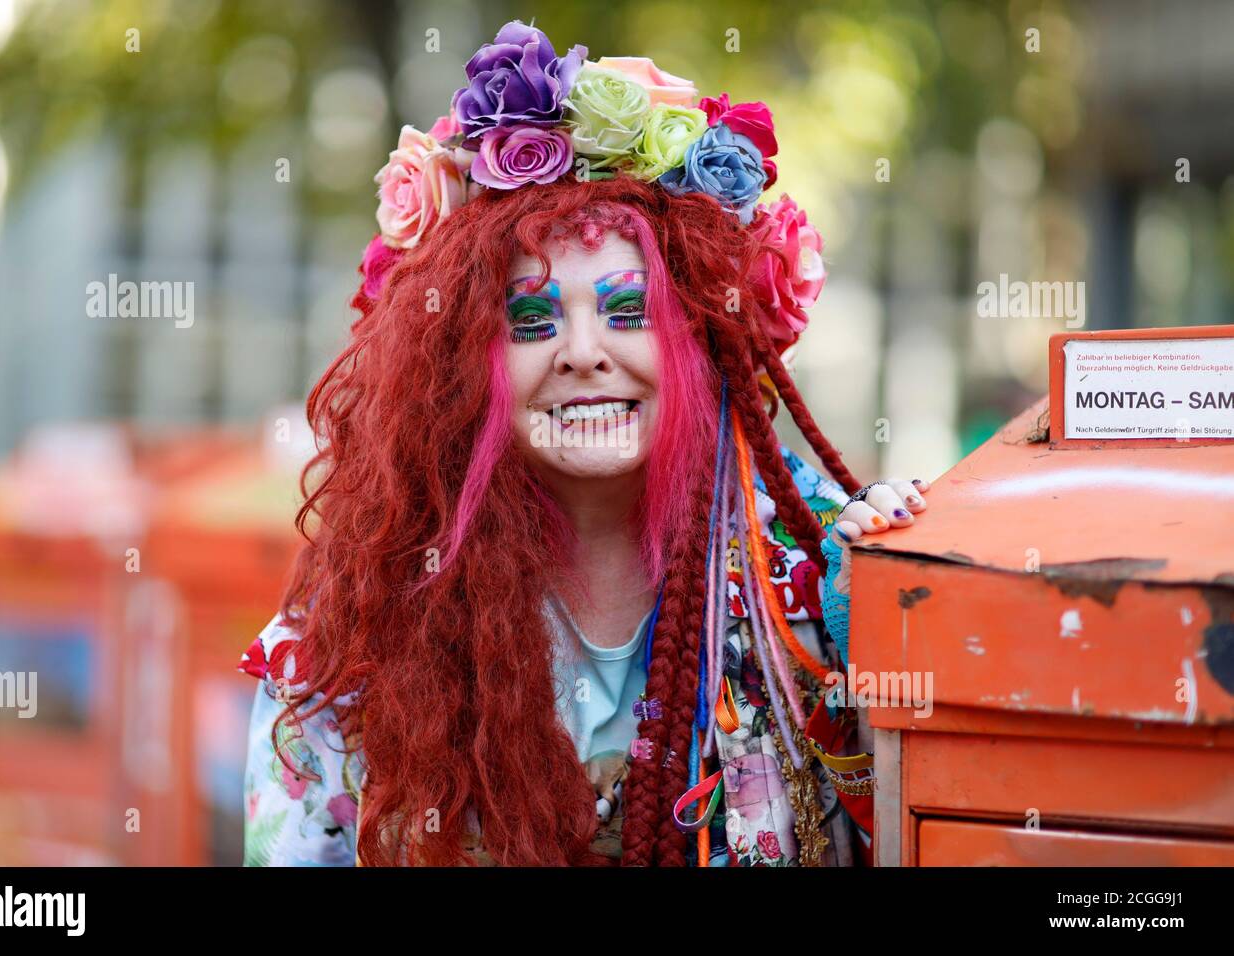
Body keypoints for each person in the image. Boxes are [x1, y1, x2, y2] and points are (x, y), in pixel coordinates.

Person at [238, 19, 931, 867]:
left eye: (629, 311)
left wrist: (898, 595)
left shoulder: (812, 580)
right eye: (530, 319)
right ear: (463, 366)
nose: (582, 350)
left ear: (699, 339)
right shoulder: (358, 632)